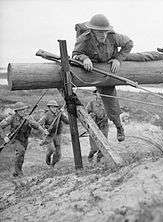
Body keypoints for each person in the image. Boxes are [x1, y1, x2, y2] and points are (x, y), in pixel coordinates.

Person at [72, 14, 134, 142]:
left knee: (144, 57)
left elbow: (129, 43)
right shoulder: (84, 39)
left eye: (105, 32)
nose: (103, 35)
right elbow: (75, 54)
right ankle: (118, 127)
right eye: (100, 32)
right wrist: (84, 58)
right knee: (109, 99)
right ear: (92, 31)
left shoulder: (113, 36)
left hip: (112, 62)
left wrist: (118, 59)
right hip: (96, 69)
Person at [0, 102, 47, 177]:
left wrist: (43, 131)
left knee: (22, 155)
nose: (23, 111)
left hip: (25, 138)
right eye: (21, 110)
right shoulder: (11, 117)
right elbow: (1, 126)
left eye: (24, 109)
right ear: (17, 111)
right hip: (16, 138)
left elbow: (36, 125)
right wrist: (4, 137)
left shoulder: (28, 117)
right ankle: (19, 172)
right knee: (20, 151)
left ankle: (16, 171)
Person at [39, 100, 69, 167]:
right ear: (49, 108)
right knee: (51, 149)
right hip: (49, 135)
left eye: (55, 107)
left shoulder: (59, 113)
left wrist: (63, 113)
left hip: (58, 134)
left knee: (58, 152)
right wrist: (44, 130)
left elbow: (67, 122)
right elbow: (39, 124)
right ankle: (48, 156)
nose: (54, 109)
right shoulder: (46, 115)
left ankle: (53, 165)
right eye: (52, 107)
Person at [86, 90, 109, 162]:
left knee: (103, 145)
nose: (100, 94)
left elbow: (112, 112)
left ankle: (98, 160)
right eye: (98, 92)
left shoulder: (107, 103)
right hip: (94, 126)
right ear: (96, 94)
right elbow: (85, 113)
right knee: (94, 148)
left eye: (101, 92)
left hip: (104, 126)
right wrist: (91, 116)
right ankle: (90, 156)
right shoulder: (92, 103)